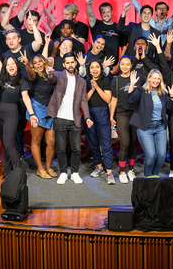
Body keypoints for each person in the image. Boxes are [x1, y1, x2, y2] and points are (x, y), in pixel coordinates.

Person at [0, 43, 37, 174]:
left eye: (13, 64)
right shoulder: (2, 76)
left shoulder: (21, 81)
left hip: (11, 114)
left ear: (17, 66)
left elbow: (26, 98)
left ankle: (18, 171)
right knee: (4, 145)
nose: (11, 66)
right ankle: (7, 172)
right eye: (8, 64)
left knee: (8, 144)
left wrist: (32, 113)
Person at [45, 53, 93, 183]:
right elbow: (51, 79)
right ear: (64, 64)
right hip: (60, 118)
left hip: (75, 119)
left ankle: (75, 172)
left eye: (72, 62)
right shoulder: (59, 76)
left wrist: (87, 117)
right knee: (60, 149)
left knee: (76, 148)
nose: (70, 65)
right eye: (68, 62)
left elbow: (84, 100)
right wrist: (49, 73)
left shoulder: (82, 81)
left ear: (75, 63)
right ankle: (63, 173)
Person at [126, 69, 170, 178]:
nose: (156, 81)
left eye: (158, 79)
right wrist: (132, 84)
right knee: (151, 155)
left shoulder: (163, 93)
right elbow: (130, 100)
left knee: (161, 156)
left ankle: (154, 175)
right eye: (154, 78)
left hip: (160, 127)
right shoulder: (142, 90)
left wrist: (172, 97)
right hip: (145, 127)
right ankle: (147, 177)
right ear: (149, 78)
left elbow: (169, 108)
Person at [110, 55, 144, 183]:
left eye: (127, 64)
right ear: (119, 65)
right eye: (122, 64)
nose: (125, 67)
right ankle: (122, 172)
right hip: (122, 114)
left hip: (135, 114)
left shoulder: (138, 78)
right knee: (125, 143)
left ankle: (130, 170)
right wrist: (111, 116)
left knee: (134, 143)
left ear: (131, 65)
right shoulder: (116, 80)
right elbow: (114, 99)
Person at [24, 54, 57, 180]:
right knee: (36, 140)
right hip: (38, 109)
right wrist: (27, 64)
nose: (38, 64)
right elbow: (30, 73)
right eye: (35, 62)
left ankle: (48, 167)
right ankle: (40, 169)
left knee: (51, 142)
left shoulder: (50, 74)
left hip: (51, 110)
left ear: (44, 62)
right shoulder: (34, 75)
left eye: (40, 61)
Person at [84, 60, 115, 184]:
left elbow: (108, 99)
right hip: (89, 113)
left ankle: (109, 172)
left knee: (106, 144)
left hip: (102, 112)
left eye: (97, 67)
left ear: (101, 69)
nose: (95, 69)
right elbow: (84, 100)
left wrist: (97, 87)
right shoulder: (85, 82)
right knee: (93, 142)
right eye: (92, 67)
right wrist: (91, 89)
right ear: (89, 70)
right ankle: (99, 166)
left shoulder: (106, 81)